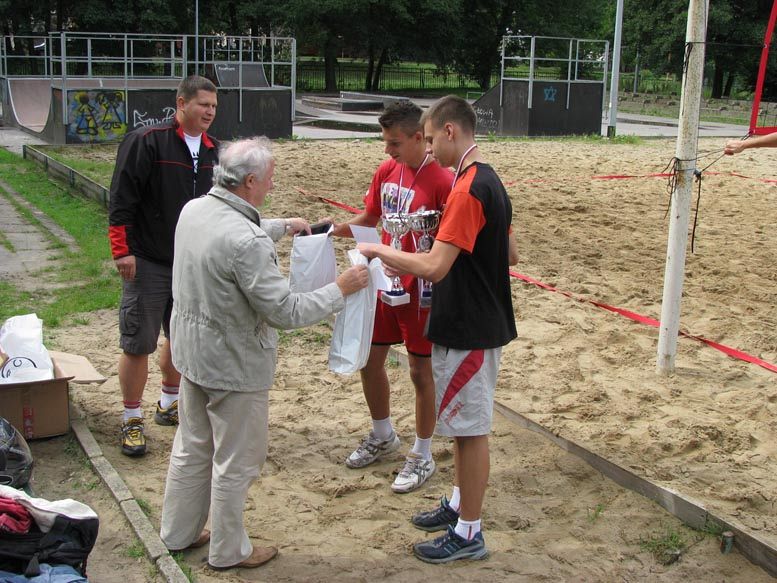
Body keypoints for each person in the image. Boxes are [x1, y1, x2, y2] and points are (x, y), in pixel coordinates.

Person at [159, 137, 369, 570]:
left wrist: (280, 225)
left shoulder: (193, 210)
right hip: (233, 363)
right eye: (269, 180)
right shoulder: (247, 242)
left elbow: (233, 233)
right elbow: (285, 311)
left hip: (192, 353)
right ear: (251, 180)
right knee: (237, 461)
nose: (272, 186)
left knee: (192, 446)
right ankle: (229, 550)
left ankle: (176, 532)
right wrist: (340, 289)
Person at [358, 95, 519, 563]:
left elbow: (432, 266)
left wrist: (381, 251)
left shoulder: (468, 188)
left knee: (470, 432)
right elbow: (510, 253)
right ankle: (456, 504)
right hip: (470, 319)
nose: (428, 150)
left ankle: (469, 531)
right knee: (463, 427)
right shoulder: (484, 179)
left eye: (430, 139)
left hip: (471, 326)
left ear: (450, 132)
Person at [331, 101, 453, 493]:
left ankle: (422, 452)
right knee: (370, 359)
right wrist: (331, 230)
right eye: (385, 143)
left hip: (423, 292)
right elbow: (370, 219)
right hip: (385, 283)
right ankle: (383, 433)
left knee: (420, 372)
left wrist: (418, 265)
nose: (388, 150)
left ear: (420, 138)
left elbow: (448, 247)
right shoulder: (387, 170)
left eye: (395, 143)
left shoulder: (443, 182)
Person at [108, 75, 219, 457]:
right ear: (182, 102)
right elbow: (122, 197)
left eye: (214, 107)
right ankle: (131, 418)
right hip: (149, 260)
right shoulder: (147, 141)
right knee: (139, 341)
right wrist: (122, 251)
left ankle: (169, 403)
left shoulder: (213, 151)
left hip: (190, 264)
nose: (209, 112)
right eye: (203, 104)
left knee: (182, 338)